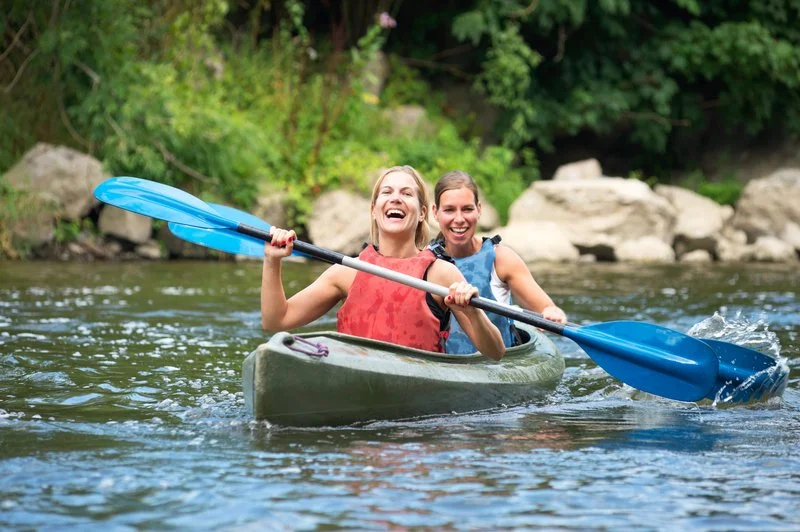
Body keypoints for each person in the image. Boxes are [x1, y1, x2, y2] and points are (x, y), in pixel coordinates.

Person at [261, 165, 506, 360]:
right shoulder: (346, 273)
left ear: (422, 213)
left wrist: (472, 312)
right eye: (387, 192)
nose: (396, 199)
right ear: (374, 210)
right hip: (354, 381)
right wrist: (272, 262)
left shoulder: (441, 274)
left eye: (407, 193)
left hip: (417, 408)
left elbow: (496, 353)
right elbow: (276, 320)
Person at [430, 170, 568, 354]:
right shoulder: (426, 260)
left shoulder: (501, 259)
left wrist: (552, 313)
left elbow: (547, 309)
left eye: (467, 209)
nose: (459, 219)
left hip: (498, 366)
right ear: (434, 212)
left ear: (479, 209)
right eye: (449, 210)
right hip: (445, 368)